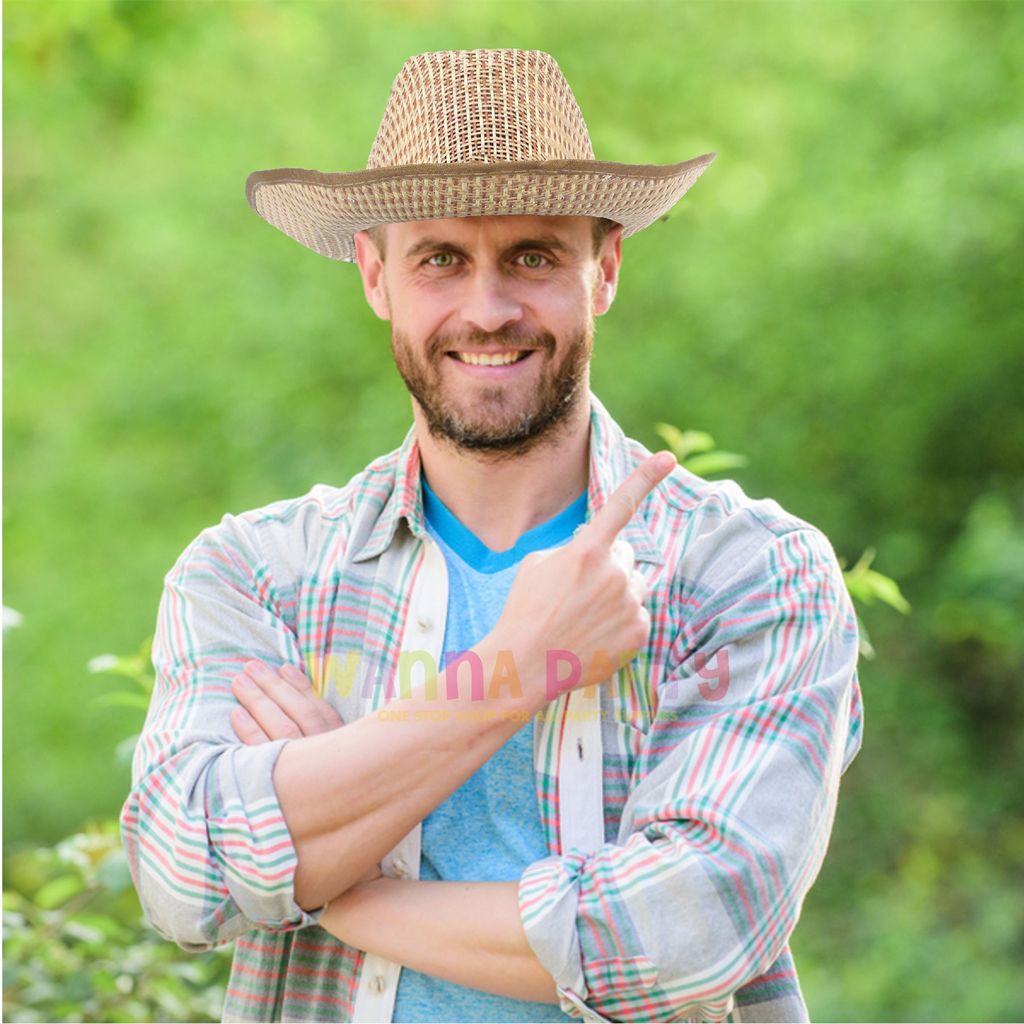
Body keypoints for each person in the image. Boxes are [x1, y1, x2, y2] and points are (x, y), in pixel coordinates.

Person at [121, 48, 864, 1024]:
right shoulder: (259, 576)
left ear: (604, 269)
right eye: (440, 259)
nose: (487, 309)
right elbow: (183, 877)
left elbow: (691, 934)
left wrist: (327, 880)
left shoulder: (749, 572)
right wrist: (520, 667)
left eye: (533, 256)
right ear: (375, 275)